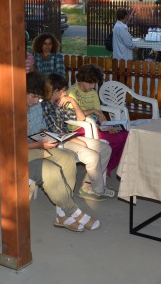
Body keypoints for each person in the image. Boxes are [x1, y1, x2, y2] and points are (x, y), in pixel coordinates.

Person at [0, 71, 100, 232]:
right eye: (33, 96)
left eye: (39, 97)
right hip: (6, 157)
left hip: (31, 148)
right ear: (21, 92)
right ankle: (72, 211)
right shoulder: (7, 110)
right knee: (50, 170)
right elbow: (10, 145)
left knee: (68, 159)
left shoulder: (36, 106)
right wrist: (38, 144)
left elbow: (39, 128)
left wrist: (48, 136)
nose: (36, 101)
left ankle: (62, 215)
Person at [41, 73, 114, 201]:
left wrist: (72, 101)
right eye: (63, 91)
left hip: (68, 138)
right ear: (56, 91)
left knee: (105, 149)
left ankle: (88, 186)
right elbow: (56, 132)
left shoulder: (60, 103)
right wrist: (76, 140)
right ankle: (98, 190)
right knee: (92, 156)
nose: (65, 93)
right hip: (58, 143)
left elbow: (81, 118)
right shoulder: (44, 106)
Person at [66, 64, 128, 177]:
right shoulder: (72, 93)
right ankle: (104, 166)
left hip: (95, 125)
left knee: (125, 135)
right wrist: (93, 111)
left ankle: (108, 166)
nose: (93, 86)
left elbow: (99, 114)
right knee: (114, 139)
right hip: (79, 128)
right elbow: (75, 117)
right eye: (91, 83)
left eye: (95, 83)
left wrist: (107, 126)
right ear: (82, 79)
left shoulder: (93, 93)